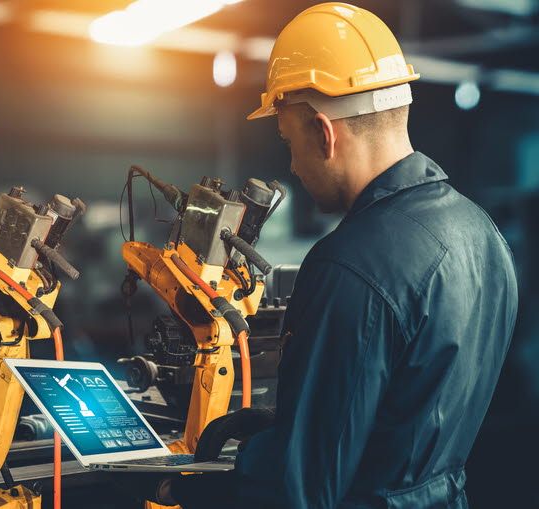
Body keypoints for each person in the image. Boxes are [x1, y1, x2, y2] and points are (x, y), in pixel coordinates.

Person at [120, 3, 518, 508]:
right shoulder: (482, 233)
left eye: (290, 141)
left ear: (325, 134)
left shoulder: (349, 265)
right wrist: (285, 421)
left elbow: (301, 490)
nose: (292, 163)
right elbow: (411, 408)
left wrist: (180, 489)